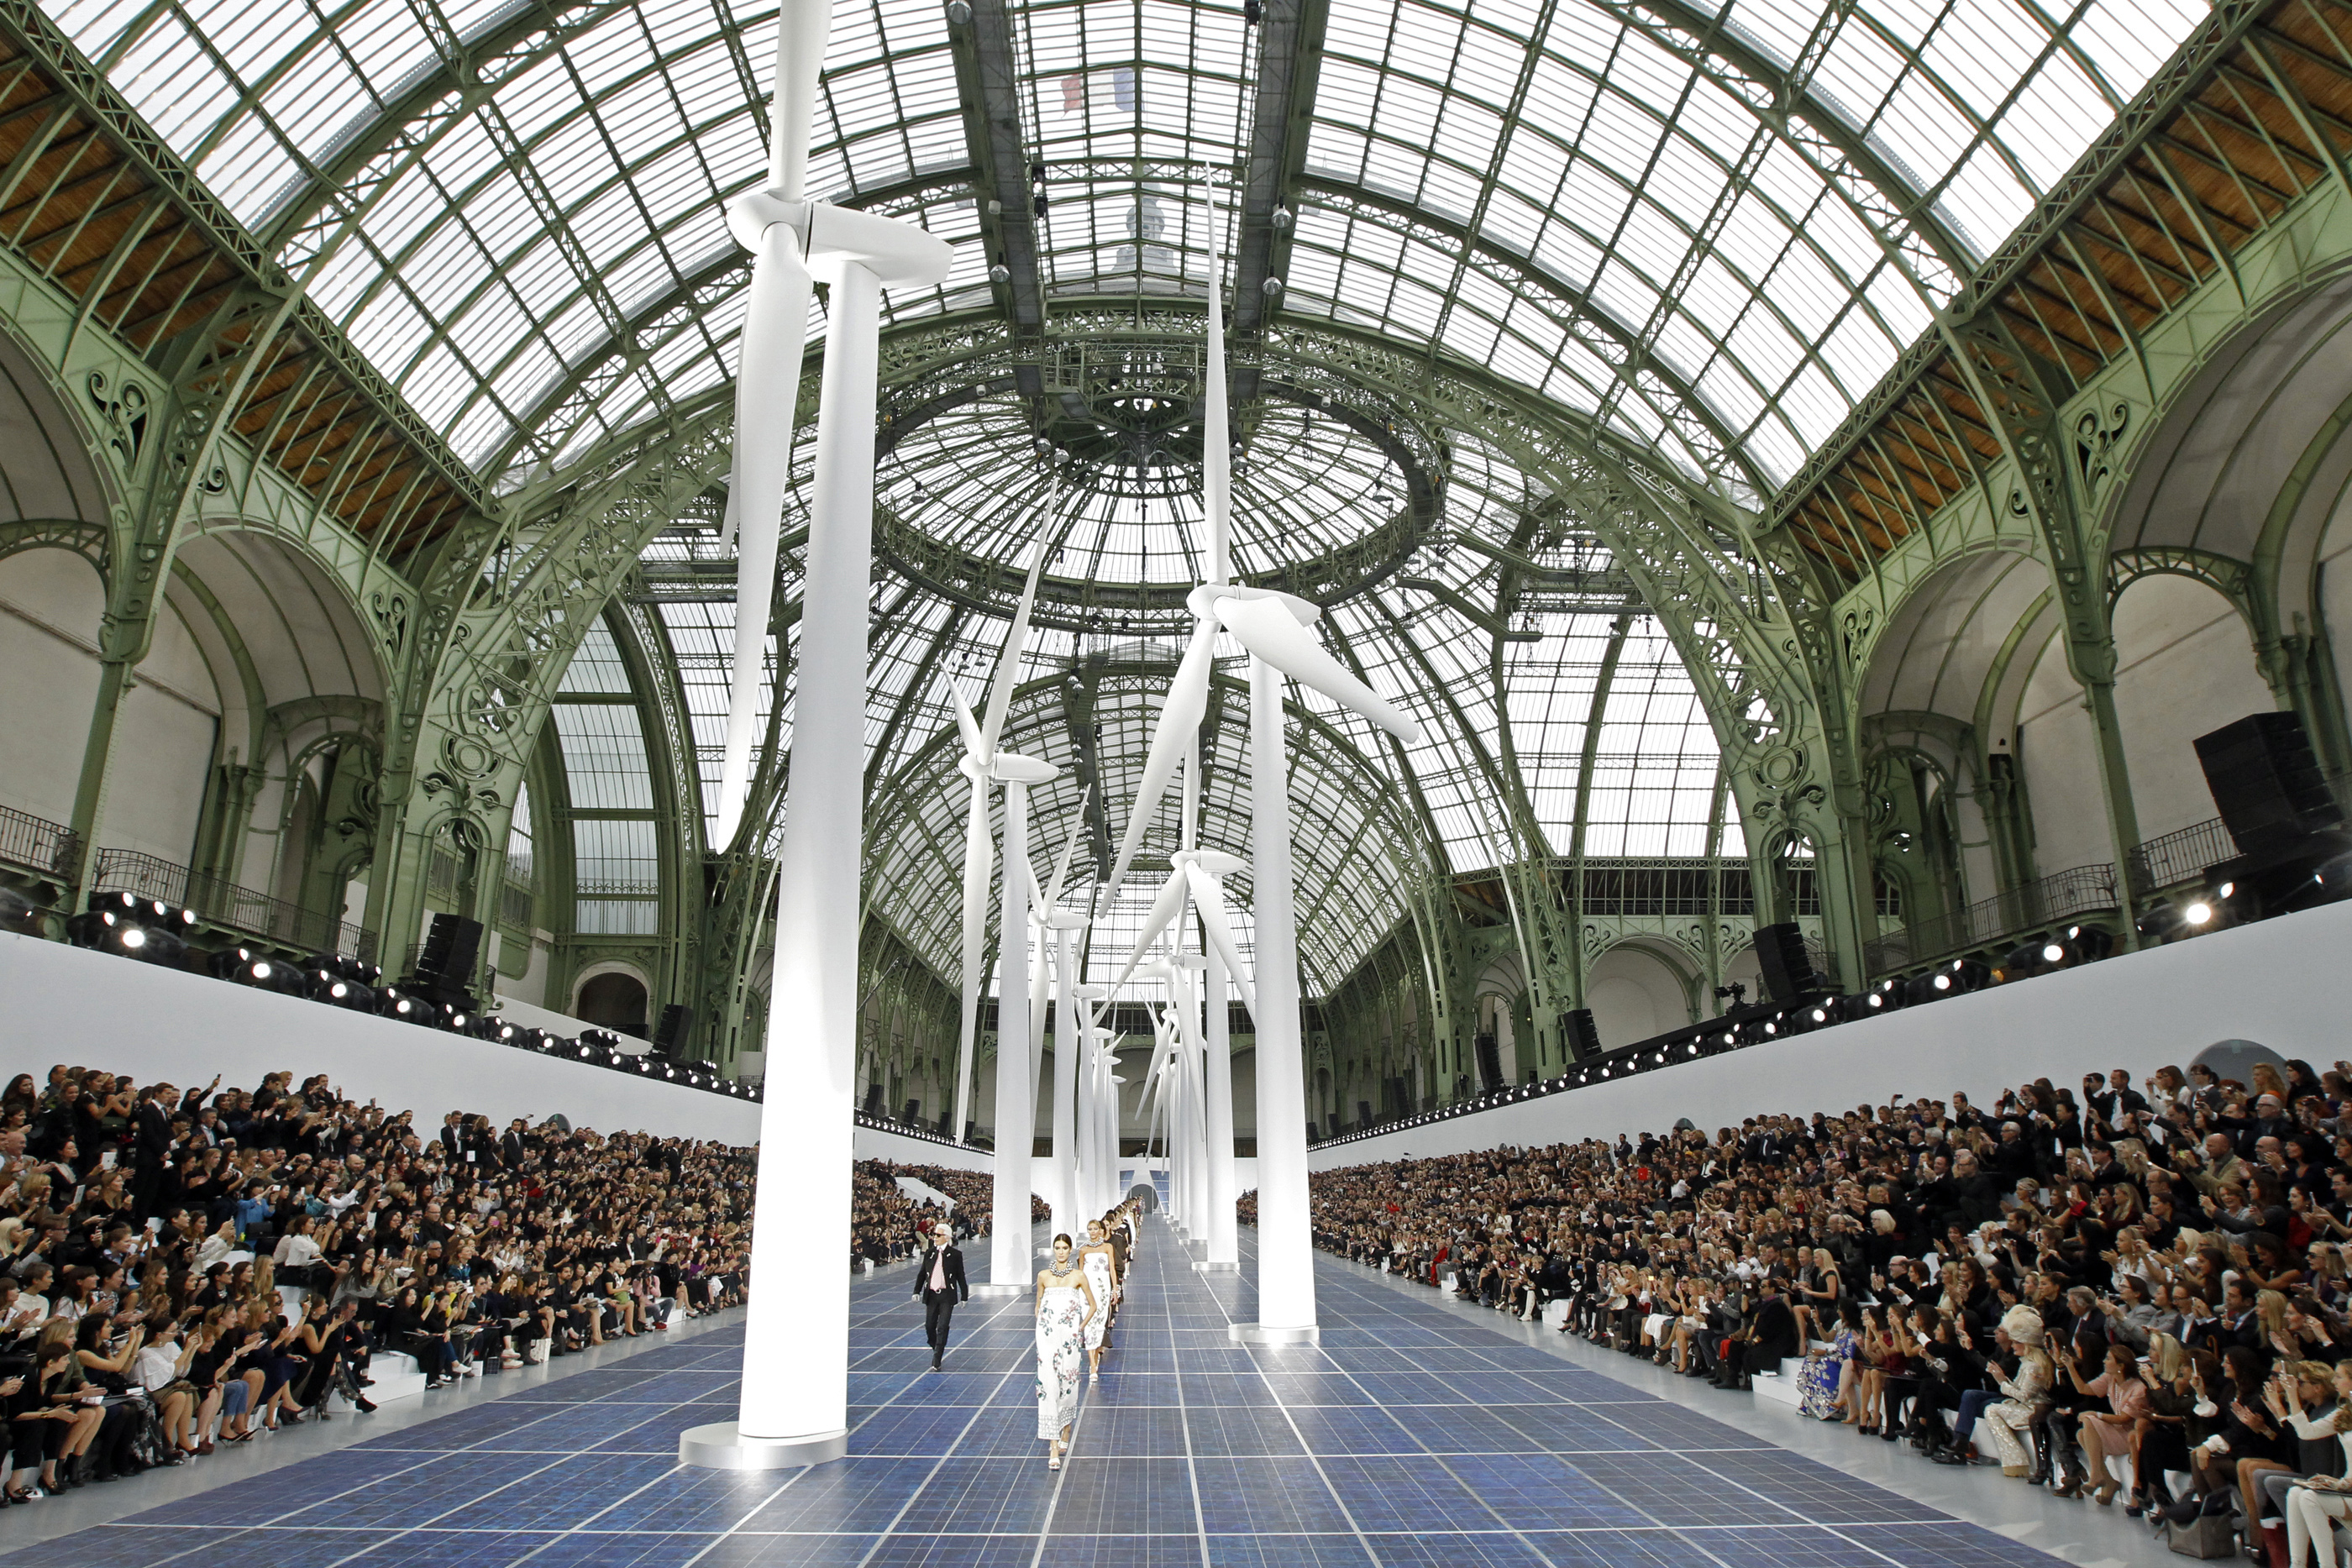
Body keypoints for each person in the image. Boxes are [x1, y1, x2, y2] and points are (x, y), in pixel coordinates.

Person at [1034, 1234, 1096, 1471]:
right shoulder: (1043, 1276)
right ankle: (1052, 1446)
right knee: (1048, 1386)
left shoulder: (1078, 1276)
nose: (1060, 1252)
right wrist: (1041, 1321)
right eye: (1057, 1248)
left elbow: (1093, 1304)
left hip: (1070, 1339)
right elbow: (1038, 1304)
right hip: (1047, 1338)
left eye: (1065, 1248)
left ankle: (1066, 1428)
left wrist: (1080, 1327)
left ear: (1070, 1250)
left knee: (1068, 1386)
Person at [912, 1222, 967, 1372]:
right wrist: (916, 1291)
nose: (934, 1238)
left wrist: (964, 1295)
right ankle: (937, 1345)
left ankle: (937, 1358)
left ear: (947, 1237)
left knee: (942, 1326)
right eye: (934, 1235)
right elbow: (922, 1274)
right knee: (929, 1326)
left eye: (938, 1235)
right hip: (931, 1295)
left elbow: (960, 1276)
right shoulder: (930, 1253)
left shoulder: (955, 1255)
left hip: (946, 1296)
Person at [1078, 1219, 1119, 1382]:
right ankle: (1092, 1365)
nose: (1093, 1231)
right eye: (1090, 1229)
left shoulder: (1108, 1247)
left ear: (1100, 1230)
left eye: (1096, 1228)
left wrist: (1115, 1289)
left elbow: (1112, 1269)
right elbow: (1080, 1273)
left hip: (1103, 1289)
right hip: (1087, 1291)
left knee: (1100, 1324)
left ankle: (1095, 1356)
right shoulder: (1084, 1250)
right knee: (1088, 1324)